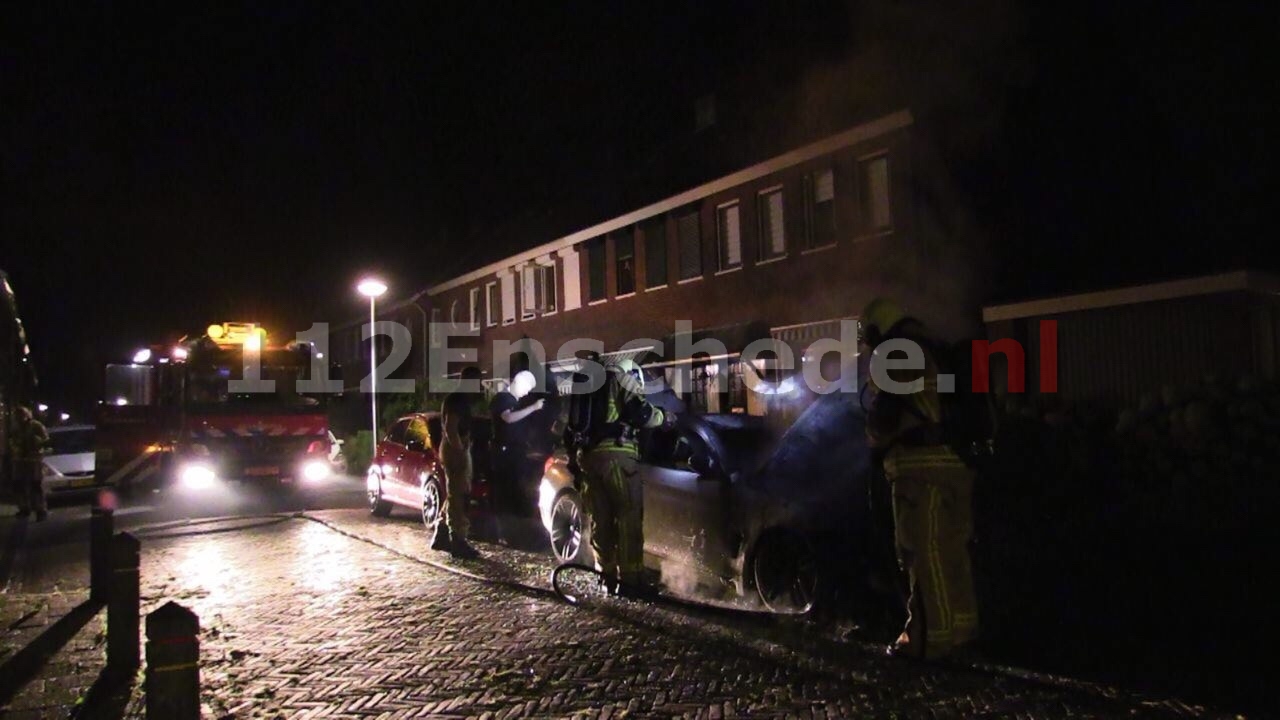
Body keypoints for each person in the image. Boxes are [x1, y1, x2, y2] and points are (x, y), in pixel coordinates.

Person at [859, 297, 979, 660]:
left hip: (919, 470)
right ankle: (962, 631)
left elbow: (884, 421)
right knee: (951, 554)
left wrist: (871, 437)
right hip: (955, 466)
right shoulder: (935, 350)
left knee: (922, 554)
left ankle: (928, 638)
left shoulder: (897, 354)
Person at [576, 357, 671, 597]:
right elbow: (640, 413)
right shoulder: (620, 379)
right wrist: (663, 417)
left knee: (602, 520)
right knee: (628, 518)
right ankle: (631, 582)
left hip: (589, 460)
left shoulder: (588, 386)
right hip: (618, 458)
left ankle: (606, 577)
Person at [489, 370, 545, 540]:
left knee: (514, 493)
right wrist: (533, 408)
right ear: (519, 382)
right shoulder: (503, 398)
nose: (527, 392)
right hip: (505, 454)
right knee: (505, 493)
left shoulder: (512, 400)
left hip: (514, 453)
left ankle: (512, 532)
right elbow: (508, 418)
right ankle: (504, 533)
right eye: (527, 387)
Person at [436, 366, 483, 558]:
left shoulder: (459, 399)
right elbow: (451, 428)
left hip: (457, 446)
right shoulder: (457, 400)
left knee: (454, 493)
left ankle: (441, 533)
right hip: (456, 449)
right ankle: (458, 539)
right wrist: (460, 451)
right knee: (458, 495)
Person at [10, 405, 49, 521]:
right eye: (17, 415)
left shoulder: (35, 425)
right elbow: (12, 440)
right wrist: (15, 448)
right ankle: (24, 508)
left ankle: (40, 510)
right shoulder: (15, 427)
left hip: (34, 460)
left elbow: (46, 439)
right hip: (20, 460)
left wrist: (38, 443)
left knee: (36, 485)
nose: (19, 417)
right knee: (19, 485)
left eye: (21, 415)